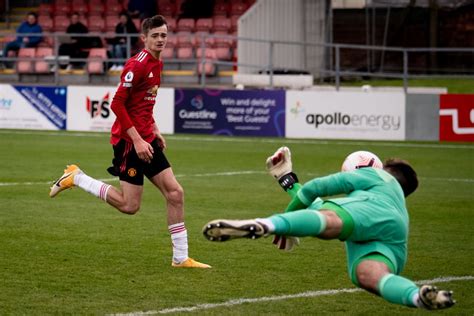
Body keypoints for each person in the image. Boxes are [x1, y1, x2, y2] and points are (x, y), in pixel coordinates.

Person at [203, 147, 455, 310]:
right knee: (370, 276)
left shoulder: (377, 176)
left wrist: (283, 225)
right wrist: (285, 177)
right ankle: (417, 296)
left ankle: (264, 224)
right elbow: (312, 202)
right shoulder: (392, 202)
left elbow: (315, 190)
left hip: (363, 216)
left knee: (330, 220)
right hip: (394, 238)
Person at [50, 15, 210, 269]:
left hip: (146, 138)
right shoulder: (136, 65)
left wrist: (154, 128)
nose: (160, 40)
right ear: (144, 38)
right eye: (155, 35)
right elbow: (117, 103)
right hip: (128, 142)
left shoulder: (159, 63)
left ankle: (181, 258)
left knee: (175, 193)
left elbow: (144, 101)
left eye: (163, 35)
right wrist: (136, 140)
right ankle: (77, 178)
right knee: (129, 205)